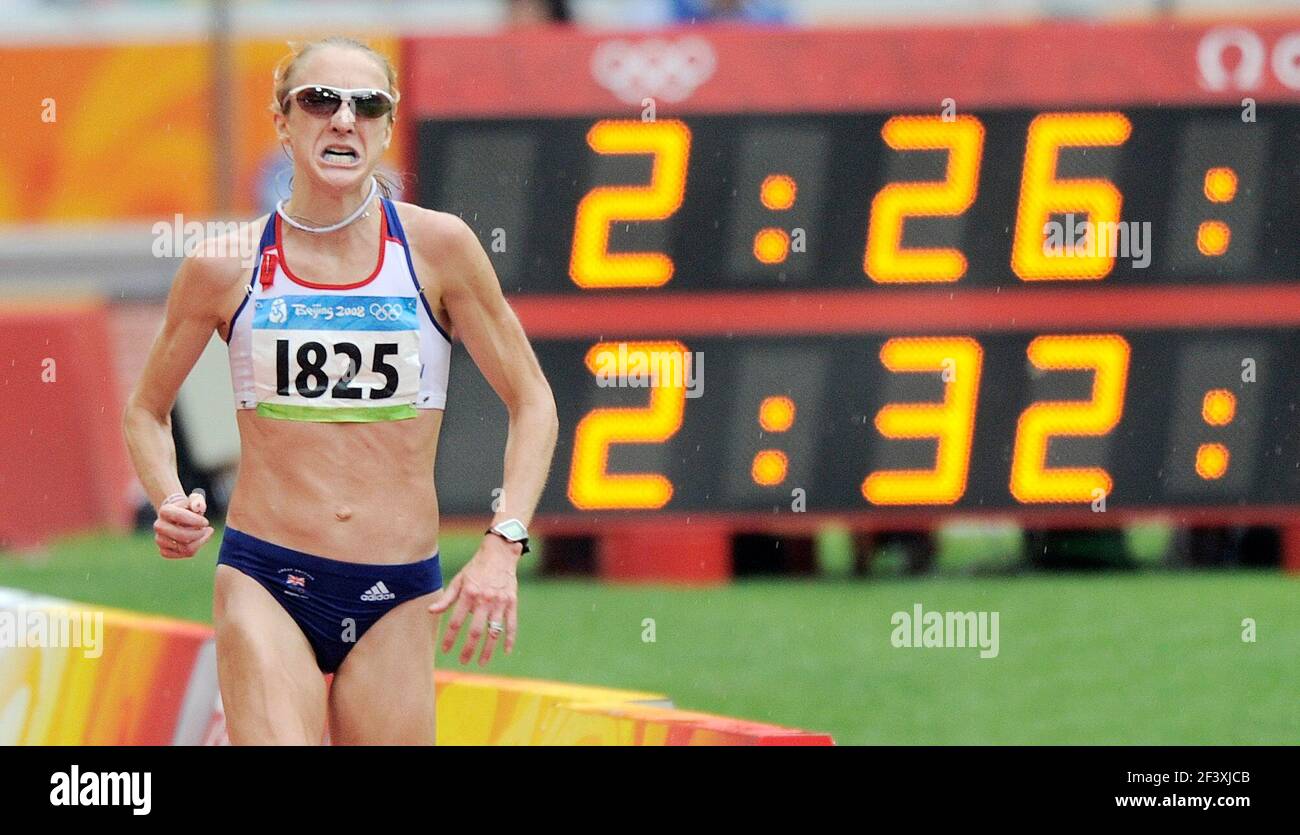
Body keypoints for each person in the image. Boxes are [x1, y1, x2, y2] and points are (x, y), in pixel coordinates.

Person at [122, 36, 558, 745]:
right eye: (320, 100)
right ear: (282, 121)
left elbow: (532, 399)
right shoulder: (225, 266)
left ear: (388, 127)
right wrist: (169, 495)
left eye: (368, 104)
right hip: (266, 577)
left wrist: (504, 542)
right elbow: (146, 408)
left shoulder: (440, 249)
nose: (344, 119)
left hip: (397, 590)